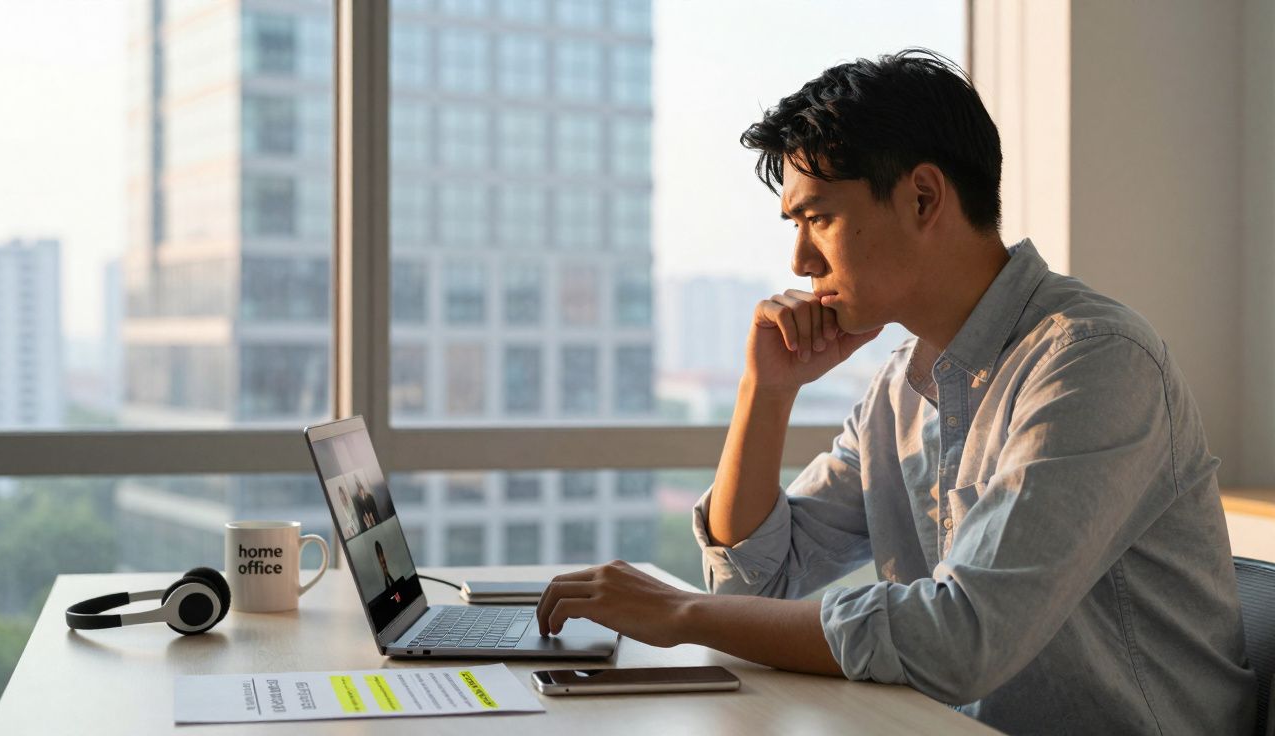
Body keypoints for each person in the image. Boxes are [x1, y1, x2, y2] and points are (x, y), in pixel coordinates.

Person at [535, 49, 1254, 733]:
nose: (799, 258)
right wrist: (767, 391)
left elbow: (960, 638)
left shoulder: (1094, 364)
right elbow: (751, 586)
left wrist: (679, 614)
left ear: (921, 196)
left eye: (818, 217)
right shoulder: (901, 389)